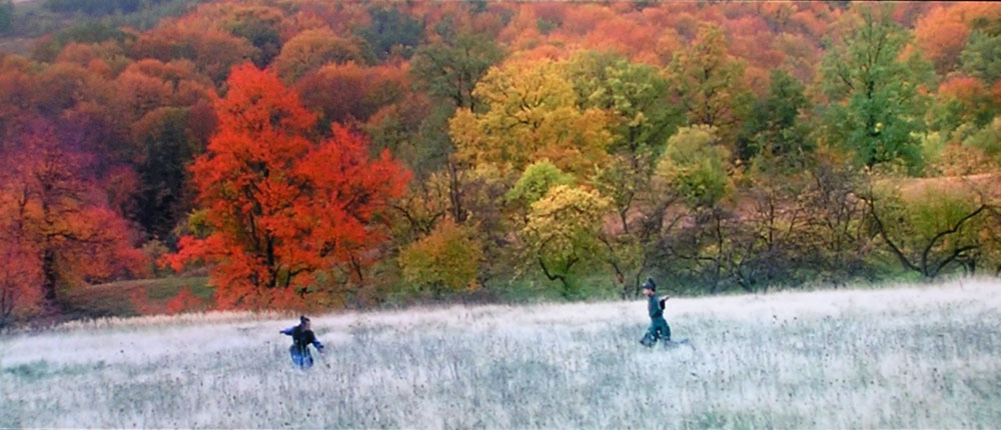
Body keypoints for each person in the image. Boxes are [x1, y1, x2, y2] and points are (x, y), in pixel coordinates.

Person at [639, 277, 671, 347]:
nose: (644, 291)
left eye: (645, 289)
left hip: (659, 323)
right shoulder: (650, 298)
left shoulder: (655, 298)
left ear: (650, 290)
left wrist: (663, 300)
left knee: (666, 344)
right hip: (654, 323)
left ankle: (685, 344)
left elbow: (660, 300)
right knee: (647, 342)